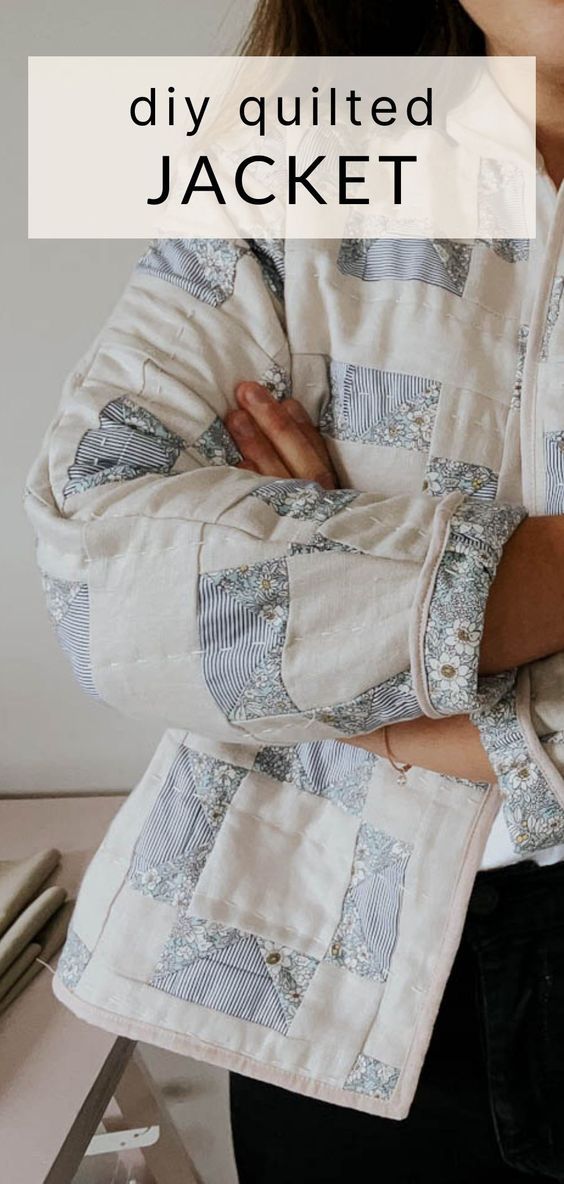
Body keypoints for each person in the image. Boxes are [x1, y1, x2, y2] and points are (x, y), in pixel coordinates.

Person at [25, 1, 564, 1179]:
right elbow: (106, 575)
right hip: (335, 977)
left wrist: (362, 644)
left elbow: (243, 625)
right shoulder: (295, 167)